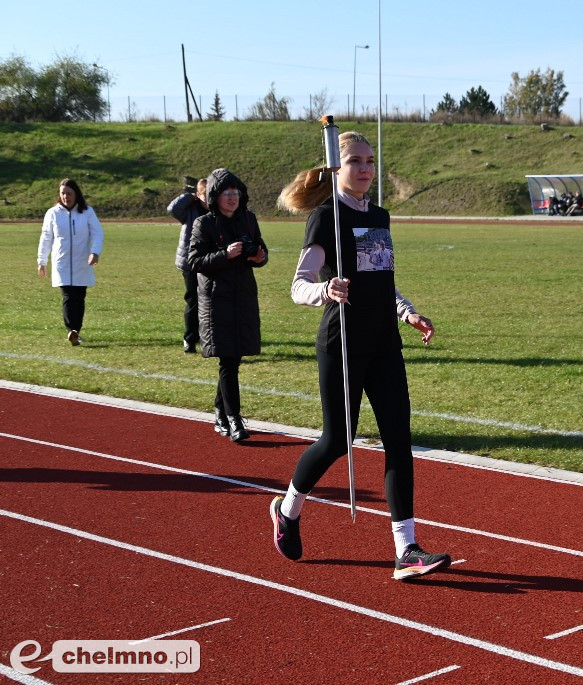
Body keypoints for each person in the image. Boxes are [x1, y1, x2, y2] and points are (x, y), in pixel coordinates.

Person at [272, 130, 449, 580]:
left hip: (385, 342)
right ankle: (288, 510)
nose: (366, 168)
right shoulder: (325, 218)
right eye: (356, 161)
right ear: (337, 167)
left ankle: (406, 550)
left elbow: (382, 279)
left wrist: (408, 313)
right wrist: (325, 289)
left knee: (399, 442)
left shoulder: (381, 217)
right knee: (337, 440)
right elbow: (297, 286)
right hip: (342, 341)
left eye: (371, 161)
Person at [186, 169, 268, 442]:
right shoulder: (204, 224)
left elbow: (261, 252)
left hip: (243, 296)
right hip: (216, 300)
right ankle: (234, 419)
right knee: (228, 359)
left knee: (234, 357)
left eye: (236, 193)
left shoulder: (249, 219)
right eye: (226, 193)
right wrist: (225, 254)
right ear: (214, 196)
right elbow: (194, 262)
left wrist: (259, 256)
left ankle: (221, 414)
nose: (233, 198)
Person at [37, 178, 104, 346]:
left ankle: (76, 331)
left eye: (69, 193)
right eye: (63, 193)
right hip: (62, 262)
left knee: (79, 297)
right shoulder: (53, 213)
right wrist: (42, 260)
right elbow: (46, 238)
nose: (66, 197)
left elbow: (97, 233)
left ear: (76, 194)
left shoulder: (87, 211)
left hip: (83, 261)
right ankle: (71, 331)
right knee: (67, 295)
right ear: (59, 195)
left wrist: (94, 252)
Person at [167, 177, 208, 353]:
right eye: (205, 195)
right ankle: (189, 339)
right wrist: (190, 196)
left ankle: (208, 336)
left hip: (209, 261)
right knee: (193, 300)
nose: (209, 198)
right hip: (190, 262)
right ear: (199, 195)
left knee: (210, 300)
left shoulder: (217, 209)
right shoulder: (189, 209)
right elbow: (172, 208)